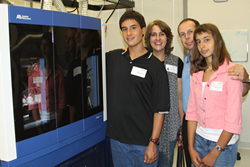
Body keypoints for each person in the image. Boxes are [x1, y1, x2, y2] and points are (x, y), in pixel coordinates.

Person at [177, 18, 250, 167]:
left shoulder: (231, 72)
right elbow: (191, 113)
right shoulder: (197, 73)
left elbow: (233, 121)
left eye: (206, 40)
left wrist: (215, 152)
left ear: (217, 41)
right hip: (199, 139)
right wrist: (190, 148)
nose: (202, 45)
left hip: (223, 146)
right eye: (198, 41)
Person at [106, 10, 170, 166]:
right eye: (124, 28)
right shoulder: (113, 58)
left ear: (143, 30)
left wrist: (153, 142)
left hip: (143, 143)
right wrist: (97, 29)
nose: (128, 33)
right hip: (117, 141)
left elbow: (160, 110)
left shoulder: (156, 66)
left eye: (133, 27)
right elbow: (86, 54)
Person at [144, 20, 184, 167]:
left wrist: (182, 128)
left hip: (171, 125)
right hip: (147, 126)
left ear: (168, 38)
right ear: (148, 39)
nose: (158, 38)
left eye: (162, 34)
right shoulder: (142, 62)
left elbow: (180, 98)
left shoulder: (176, 62)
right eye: (153, 34)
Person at [28, 32, 66, 133]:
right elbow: (32, 103)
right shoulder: (33, 71)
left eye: (47, 45)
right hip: (40, 121)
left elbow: (62, 100)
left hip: (55, 120)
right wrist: (39, 128)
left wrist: (58, 124)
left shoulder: (58, 71)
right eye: (42, 45)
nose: (44, 48)